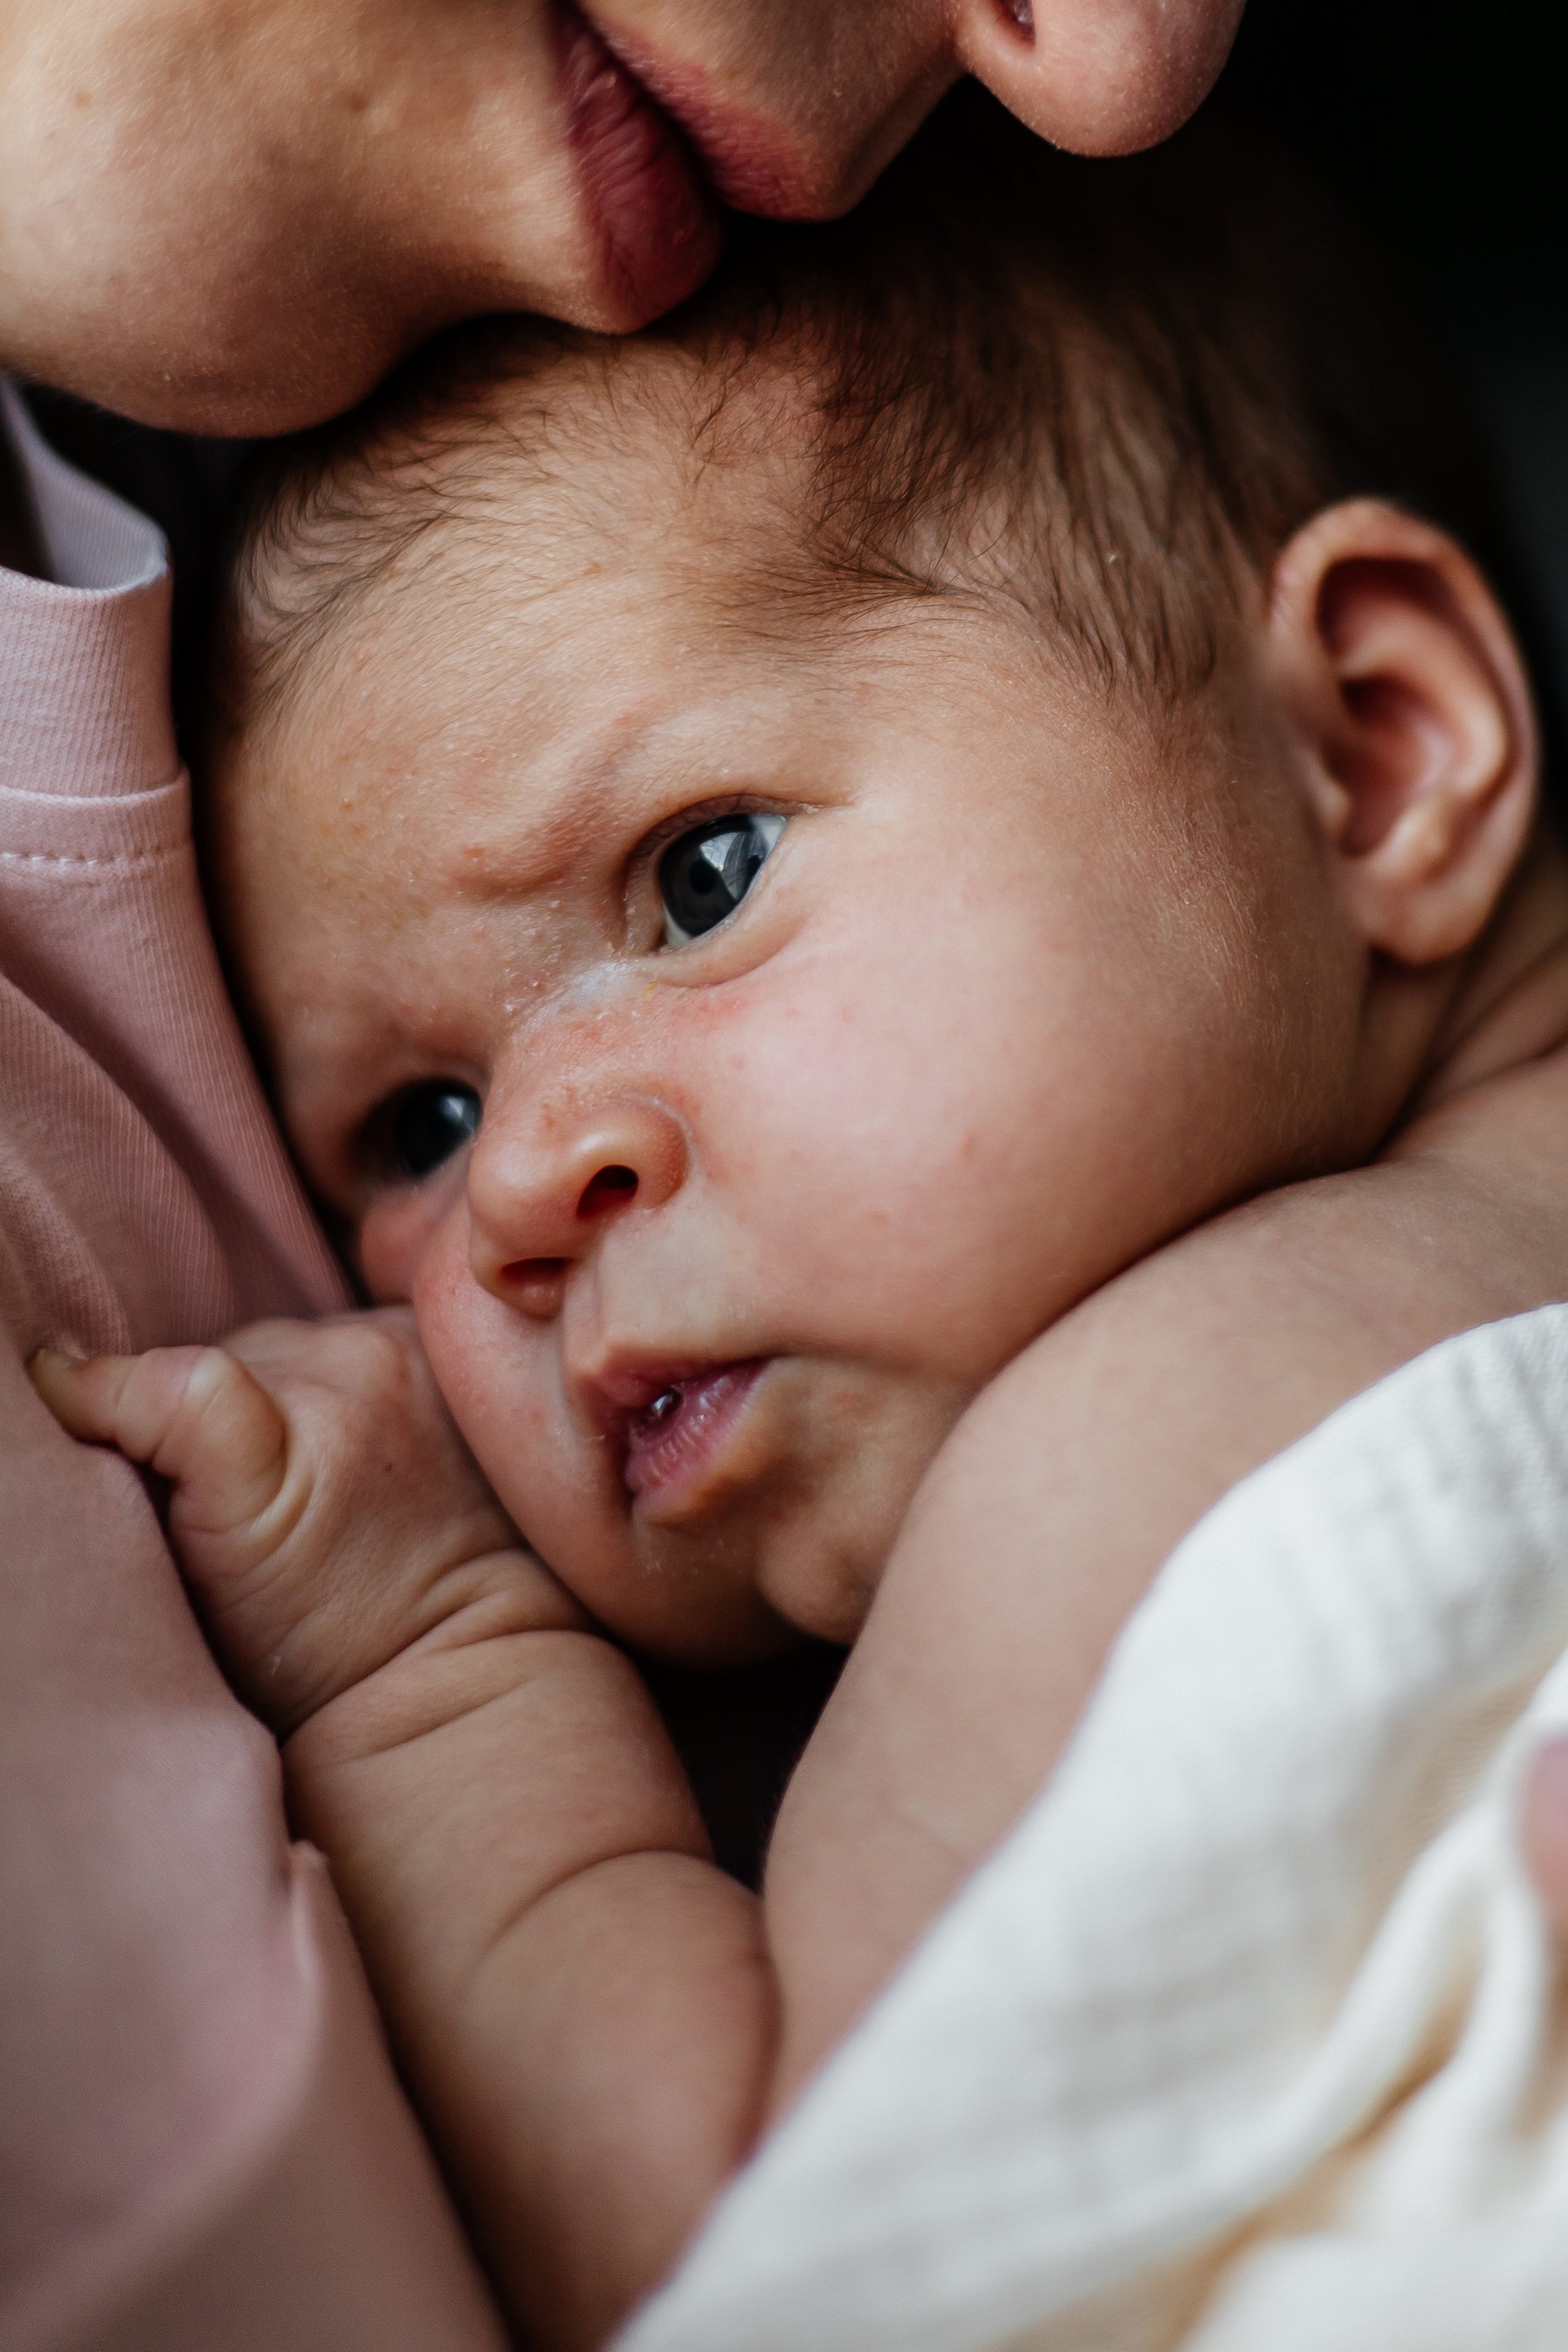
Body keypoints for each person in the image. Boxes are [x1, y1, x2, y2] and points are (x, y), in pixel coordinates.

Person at [32, 100, 1568, 2350]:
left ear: (1368, 745)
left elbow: (745, 2235)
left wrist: (432, 1675)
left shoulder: (1148, 1438)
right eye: (420, 1126)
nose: (538, 1187)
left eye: (702, 879)